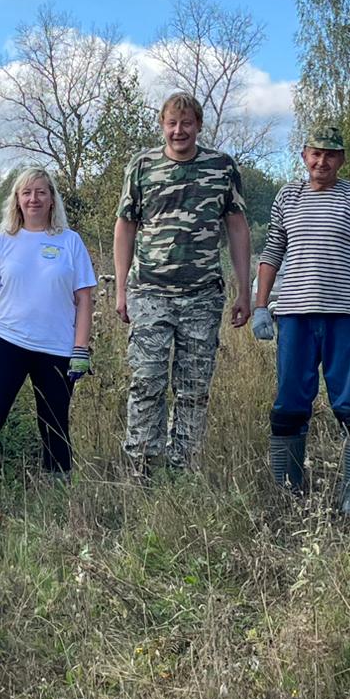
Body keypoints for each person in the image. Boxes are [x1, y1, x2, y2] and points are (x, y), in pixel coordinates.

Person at [250, 124, 350, 516]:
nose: (322, 161)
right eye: (315, 153)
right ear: (303, 156)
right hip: (294, 315)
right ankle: (287, 488)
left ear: (341, 159)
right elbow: (271, 253)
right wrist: (262, 305)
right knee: (290, 401)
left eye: (330, 154)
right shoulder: (288, 197)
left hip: (346, 316)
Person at [113, 92, 251, 475]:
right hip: (149, 292)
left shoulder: (222, 167)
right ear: (162, 125)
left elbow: (237, 227)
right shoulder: (142, 166)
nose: (179, 131)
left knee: (193, 388)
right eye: (172, 123)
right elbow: (125, 226)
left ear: (198, 126)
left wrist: (245, 289)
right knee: (147, 382)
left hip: (202, 297)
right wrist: (121, 289)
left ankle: (183, 469)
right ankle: (141, 467)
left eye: (186, 123)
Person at [0, 169, 97, 509]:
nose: (33, 199)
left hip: (56, 348)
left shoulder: (70, 241)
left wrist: (80, 349)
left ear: (52, 199)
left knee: (54, 422)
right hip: (6, 341)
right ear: (17, 199)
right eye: (26, 193)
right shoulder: (3, 241)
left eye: (41, 192)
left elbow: (85, 300)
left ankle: (59, 504)